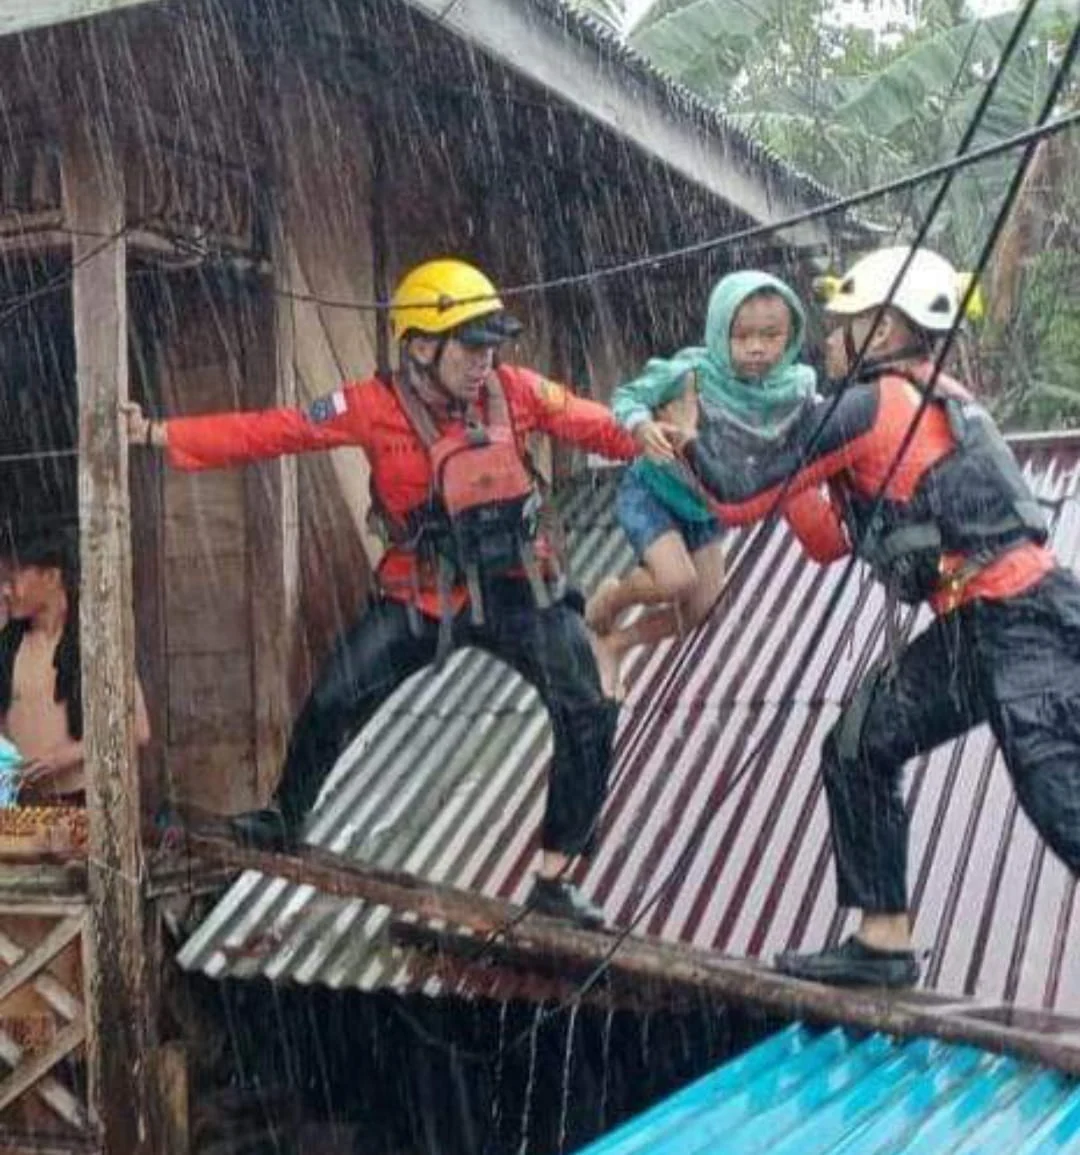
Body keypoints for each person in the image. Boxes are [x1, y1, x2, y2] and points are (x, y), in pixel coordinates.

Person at [124, 258, 637, 928]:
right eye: (470, 346)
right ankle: (284, 817)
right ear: (422, 346)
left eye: (490, 346)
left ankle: (554, 878)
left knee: (588, 708)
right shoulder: (371, 406)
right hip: (420, 594)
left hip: (519, 586)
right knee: (336, 695)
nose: (485, 360)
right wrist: (160, 434)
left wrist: (656, 438)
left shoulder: (517, 390)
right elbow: (270, 430)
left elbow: (595, 422)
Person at [671, 246, 1080, 987]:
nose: (828, 340)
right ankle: (883, 939)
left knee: (1061, 797)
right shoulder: (935, 395)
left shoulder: (869, 404)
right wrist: (806, 472)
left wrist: (680, 435)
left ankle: (885, 937)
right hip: (1001, 617)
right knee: (859, 746)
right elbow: (829, 541)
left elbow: (732, 493)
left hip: (1012, 621)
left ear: (883, 329)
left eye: (843, 323)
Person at [586, 271, 825, 694]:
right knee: (676, 581)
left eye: (771, 336)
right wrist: (642, 426)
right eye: (742, 336)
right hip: (655, 492)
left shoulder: (796, 387)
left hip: (707, 506)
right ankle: (614, 598)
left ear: (790, 337)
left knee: (702, 607)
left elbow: (825, 424)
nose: (756, 348)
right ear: (719, 333)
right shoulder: (693, 372)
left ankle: (616, 643)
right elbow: (627, 397)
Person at [0, 529, 151, 804]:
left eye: (13, 579)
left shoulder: (96, 644)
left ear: (51, 577)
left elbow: (138, 730)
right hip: (20, 805)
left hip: (84, 801)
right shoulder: (8, 647)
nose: (5, 590)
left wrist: (64, 757)